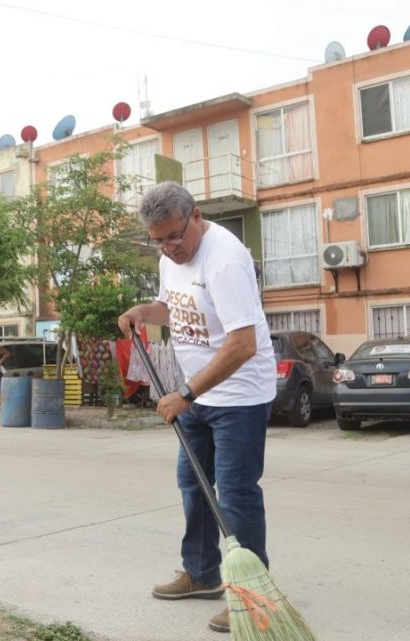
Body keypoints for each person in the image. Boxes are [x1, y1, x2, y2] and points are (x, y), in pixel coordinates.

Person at [117, 182, 276, 635]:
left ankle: (252, 597)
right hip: (198, 394)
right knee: (193, 485)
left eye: (174, 236)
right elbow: (176, 309)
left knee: (236, 492)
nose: (169, 248)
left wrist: (184, 393)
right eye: (158, 240)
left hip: (239, 395)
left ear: (197, 216)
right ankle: (202, 573)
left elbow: (243, 344)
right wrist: (144, 311)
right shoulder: (173, 259)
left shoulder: (224, 260)